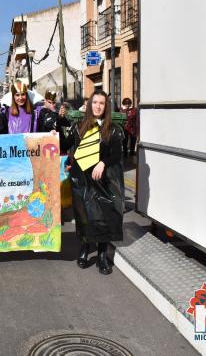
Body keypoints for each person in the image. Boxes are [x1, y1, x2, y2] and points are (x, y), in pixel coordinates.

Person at [62, 90, 124, 275]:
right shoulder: (78, 126)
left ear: (106, 106)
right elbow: (65, 146)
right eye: (95, 102)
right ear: (90, 105)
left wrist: (103, 163)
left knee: (104, 217)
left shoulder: (113, 129)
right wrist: (57, 126)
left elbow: (116, 154)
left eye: (102, 103)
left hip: (103, 180)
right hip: (81, 180)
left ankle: (103, 255)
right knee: (84, 217)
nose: (98, 106)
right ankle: (85, 248)